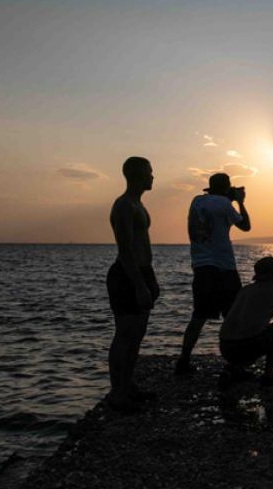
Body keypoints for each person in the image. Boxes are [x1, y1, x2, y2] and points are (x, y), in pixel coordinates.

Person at [175, 172, 251, 375]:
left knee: (199, 316)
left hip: (200, 267)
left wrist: (228, 196)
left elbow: (214, 209)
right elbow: (246, 226)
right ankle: (234, 364)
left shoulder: (196, 201)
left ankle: (183, 360)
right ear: (227, 188)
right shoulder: (225, 205)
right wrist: (240, 202)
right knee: (232, 316)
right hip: (223, 267)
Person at [106, 156, 161, 411]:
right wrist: (139, 284)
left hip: (143, 272)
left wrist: (149, 279)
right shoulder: (124, 206)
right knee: (125, 334)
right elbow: (125, 249)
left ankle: (128, 385)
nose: (152, 176)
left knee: (137, 334)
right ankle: (118, 393)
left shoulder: (138, 204)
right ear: (136, 174)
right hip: (127, 275)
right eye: (149, 172)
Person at [219, 255, 273, 387]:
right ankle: (268, 375)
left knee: (249, 334)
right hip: (247, 346)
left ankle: (235, 369)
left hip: (225, 346)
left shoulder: (244, 290)